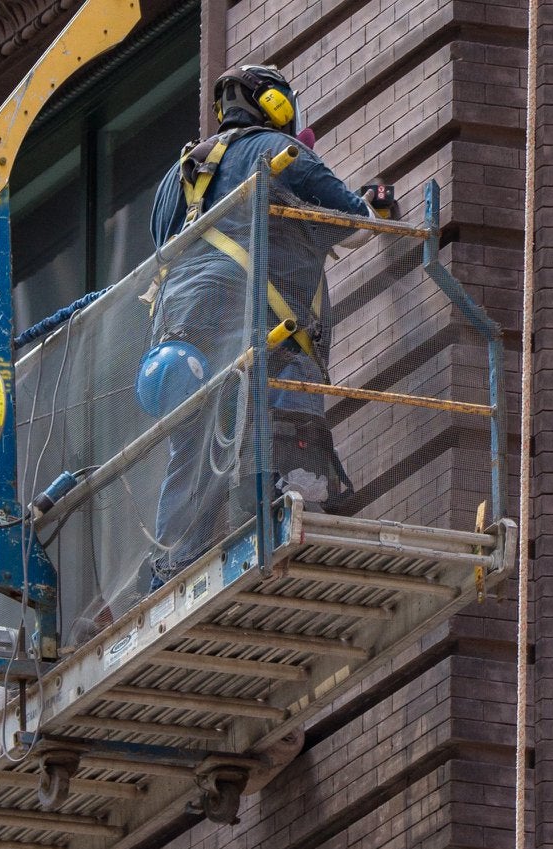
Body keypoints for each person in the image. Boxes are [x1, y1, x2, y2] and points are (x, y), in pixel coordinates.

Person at [142, 63, 371, 585]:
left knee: (196, 447)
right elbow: (356, 227)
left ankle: (175, 565)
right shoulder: (277, 151)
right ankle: (289, 506)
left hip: (180, 339)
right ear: (275, 105)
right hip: (254, 327)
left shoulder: (173, 180)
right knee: (284, 397)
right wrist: (376, 204)